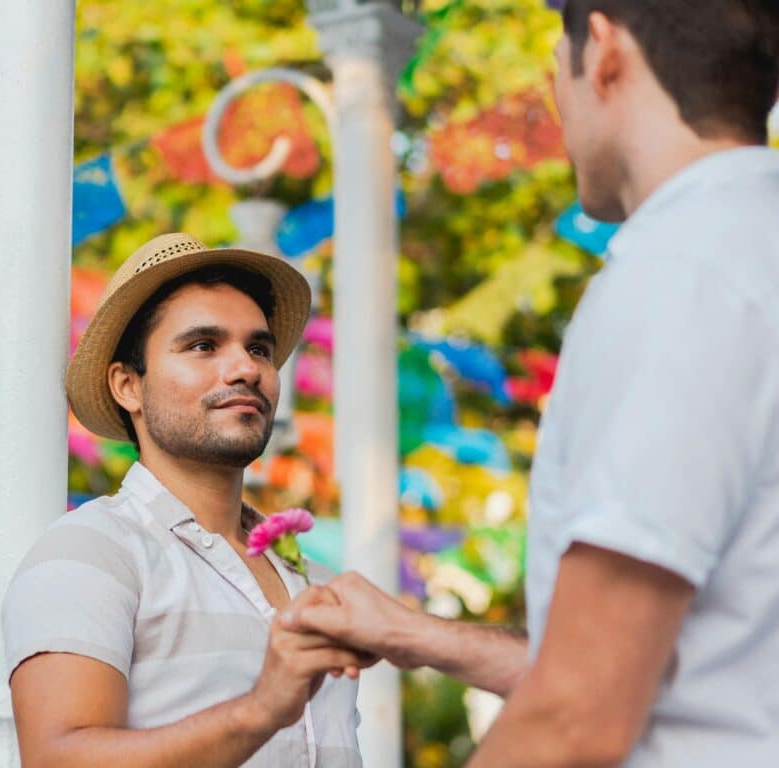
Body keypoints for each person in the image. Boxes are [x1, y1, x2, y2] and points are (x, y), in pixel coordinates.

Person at [283, 1, 779, 766]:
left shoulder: (683, 277)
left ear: (605, 49)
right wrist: (423, 636)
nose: (556, 100)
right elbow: (687, 668)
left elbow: (581, 712)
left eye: (557, 66)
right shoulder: (748, 246)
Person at [1, 233, 364, 767]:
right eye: (203, 345)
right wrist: (261, 708)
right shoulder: (91, 552)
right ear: (128, 385)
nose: (245, 368)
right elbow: (58, 760)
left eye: (258, 348)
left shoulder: (311, 577)